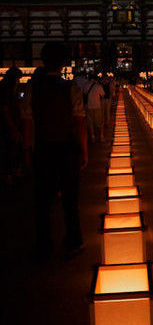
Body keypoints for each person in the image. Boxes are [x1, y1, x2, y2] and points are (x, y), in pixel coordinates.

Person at [22, 42, 88, 260]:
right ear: (63, 64)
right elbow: (80, 123)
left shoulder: (33, 89)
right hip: (68, 149)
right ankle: (73, 240)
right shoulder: (71, 89)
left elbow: (28, 123)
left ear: (43, 61)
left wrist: (28, 151)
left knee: (42, 201)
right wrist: (84, 152)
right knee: (70, 199)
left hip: (43, 148)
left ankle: (43, 244)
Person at [0, 67, 23, 185]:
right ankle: (9, 174)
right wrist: (13, 127)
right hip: (8, 125)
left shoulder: (4, 87)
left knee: (10, 149)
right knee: (10, 149)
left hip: (8, 125)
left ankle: (10, 173)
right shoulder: (7, 90)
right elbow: (5, 109)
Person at [85, 75, 105, 143]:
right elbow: (102, 95)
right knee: (99, 122)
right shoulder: (98, 86)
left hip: (89, 106)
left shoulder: (86, 86)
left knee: (90, 122)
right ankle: (101, 136)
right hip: (97, 106)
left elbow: (84, 93)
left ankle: (92, 136)